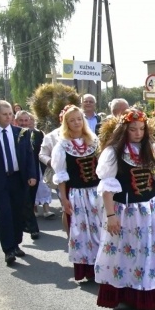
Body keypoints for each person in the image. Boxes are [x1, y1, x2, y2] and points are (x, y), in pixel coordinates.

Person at [94, 109, 155, 310]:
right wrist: (111, 216)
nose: (138, 133)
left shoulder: (150, 149)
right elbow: (108, 187)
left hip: (151, 210)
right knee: (129, 253)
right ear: (125, 130)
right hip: (128, 213)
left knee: (150, 252)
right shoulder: (113, 153)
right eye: (133, 129)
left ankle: (150, 298)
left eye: (141, 129)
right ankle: (128, 294)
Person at [0, 101, 37, 265]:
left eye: (10, 113)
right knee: (5, 214)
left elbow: (29, 155)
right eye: (5, 114)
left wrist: (32, 174)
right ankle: (8, 249)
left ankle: (17, 243)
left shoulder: (21, 133)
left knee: (18, 213)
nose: (8, 117)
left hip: (18, 178)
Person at [52, 105, 101, 283]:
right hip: (77, 194)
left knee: (100, 229)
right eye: (72, 120)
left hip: (96, 193)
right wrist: (64, 199)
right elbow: (62, 176)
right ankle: (88, 269)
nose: (76, 123)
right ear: (66, 123)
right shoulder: (62, 146)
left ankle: (102, 266)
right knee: (82, 232)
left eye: (79, 119)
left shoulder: (93, 140)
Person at [15, 111, 43, 240]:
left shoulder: (37, 134)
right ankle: (33, 229)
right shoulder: (14, 134)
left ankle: (25, 225)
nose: (24, 123)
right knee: (24, 201)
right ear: (16, 121)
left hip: (33, 171)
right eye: (21, 120)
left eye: (26, 120)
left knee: (30, 201)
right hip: (18, 174)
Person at [27, 113, 54, 219]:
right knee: (33, 186)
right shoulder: (22, 134)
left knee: (44, 186)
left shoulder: (39, 133)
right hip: (30, 164)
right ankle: (34, 209)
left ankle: (46, 209)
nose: (29, 122)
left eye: (31, 120)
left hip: (39, 163)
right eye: (27, 120)